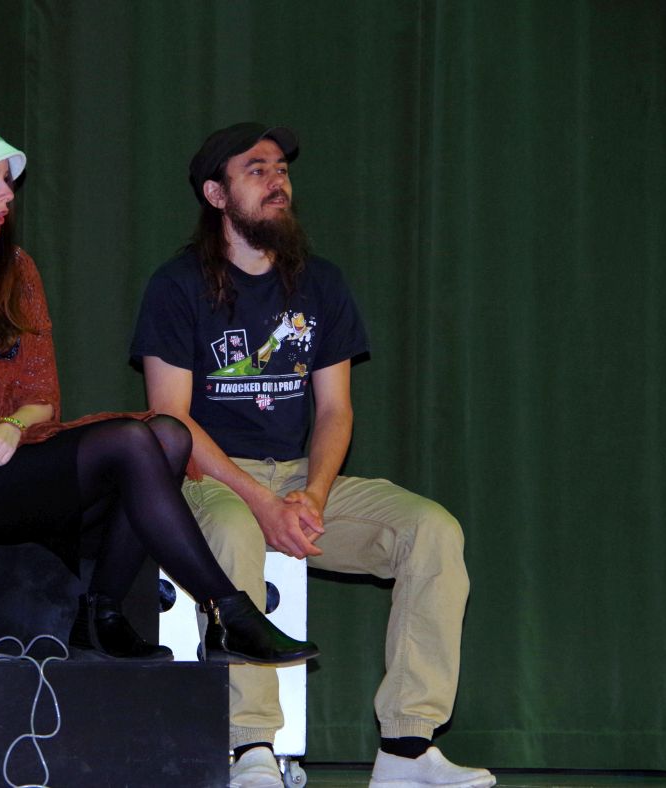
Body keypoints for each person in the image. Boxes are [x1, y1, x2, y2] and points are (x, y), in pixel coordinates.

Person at [0, 117, 317, 669]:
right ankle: (228, 611)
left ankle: (103, 613)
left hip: (17, 459)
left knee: (167, 435)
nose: (7, 194)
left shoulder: (17, 269)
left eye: (7, 180)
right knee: (135, 441)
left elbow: (43, 394)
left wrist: (12, 425)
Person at [130, 123, 496, 788]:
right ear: (216, 194)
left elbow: (335, 410)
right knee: (237, 529)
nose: (278, 181)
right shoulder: (177, 285)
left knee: (431, 531)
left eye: (281, 169)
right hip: (206, 478)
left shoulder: (319, 283)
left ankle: (406, 748)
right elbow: (170, 417)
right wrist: (260, 502)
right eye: (257, 169)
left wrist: (314, 495)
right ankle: (249, 748)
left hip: (297, 476)